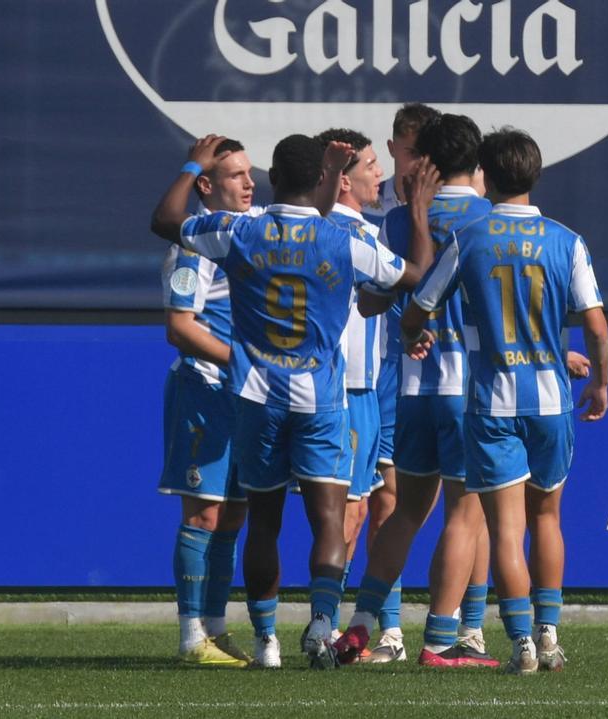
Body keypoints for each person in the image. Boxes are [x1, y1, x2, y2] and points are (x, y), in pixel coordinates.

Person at [151, 133, 439, 669]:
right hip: (320, 398)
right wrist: (417, 213)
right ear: (323, 182)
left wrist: (192, 165)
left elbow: (166, 219)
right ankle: (322, 626)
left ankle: (266, 644)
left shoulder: (241, 231)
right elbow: (416, 276)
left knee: (262, 521)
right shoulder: (341, 239)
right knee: (331, 521)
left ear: (270, 181)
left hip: (257, 395)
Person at [400, 128, 608, 674]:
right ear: (534, 174)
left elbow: (420, 303)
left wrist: (412, 334)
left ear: (485, 177)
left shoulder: (470, 237)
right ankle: (548, 633)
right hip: (550, 401)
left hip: (491, 403)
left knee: (505, 530)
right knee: (548, 518)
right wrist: (601, 382)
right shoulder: (566, 240)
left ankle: (519, 644)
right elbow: (595, 325)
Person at [337, 114, 498, 668]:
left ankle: (361, 622)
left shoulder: (399, 219)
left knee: (406, 511)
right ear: (476, 162)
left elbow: (370, 300)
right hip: (471, 387)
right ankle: (442, 637)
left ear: (424, 157)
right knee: (465, 513)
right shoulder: (494, 218)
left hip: (412, 388)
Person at [158, 138, 259, 668]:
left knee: (235, 517)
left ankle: (216, 633)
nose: (248, 183)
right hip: (205, 390)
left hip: (242, 395)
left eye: (250, 173)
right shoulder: (191, 247)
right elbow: (178, 328)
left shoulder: (248, 230)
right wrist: (239, 360)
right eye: (235, 175)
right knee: (204, 515)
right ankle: (191, 638)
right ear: (205, 186)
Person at [359, 103, 442, 661]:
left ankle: (464, 623)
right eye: (410, 152)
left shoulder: (459, 202)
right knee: (381, 499)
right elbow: (375, 289)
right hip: (383, 369)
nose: (416, 165)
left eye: (425, 155)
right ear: (394, 149)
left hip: (438, 371)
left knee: (464, 504)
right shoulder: (375, 205)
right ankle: (380, 626)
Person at [312, 128, 386, 640]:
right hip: (345, 388)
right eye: (370, 167)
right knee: (349, 512)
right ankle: (325, 624)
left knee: (368, 507)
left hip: (364, 386)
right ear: (343, 181)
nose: (379, 175)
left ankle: (355, 624)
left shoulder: (366, 232)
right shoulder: (341, 234)